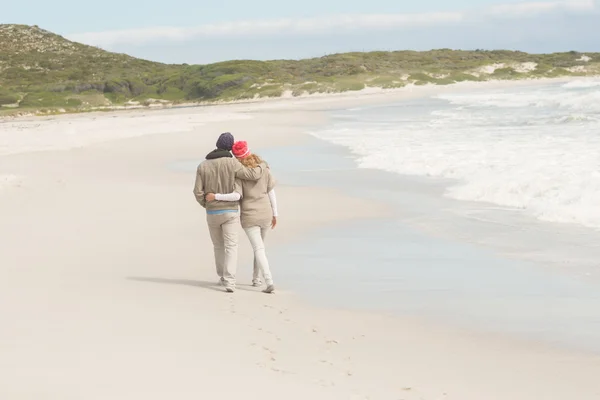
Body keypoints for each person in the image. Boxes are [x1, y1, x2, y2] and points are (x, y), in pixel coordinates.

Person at [193, 133, 265, 293]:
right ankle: (230, 281)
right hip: (230, 211)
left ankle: (222, 277)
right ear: (230, 147)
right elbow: (252, 175)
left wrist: (206, 204)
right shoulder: (233, 164)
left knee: (218, 246)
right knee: (231, 246)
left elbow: (197, 191)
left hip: (212, 212)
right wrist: (262, 165)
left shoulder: (203, 165)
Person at [206, 141, 278, 294]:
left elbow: (236, 196)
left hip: (249, 216)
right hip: (266, 213)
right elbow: (271, 192)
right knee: (260, 248)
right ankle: (256, 279)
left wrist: (215, 196)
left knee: (258, 248)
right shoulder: (264, 168)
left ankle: (269, 280)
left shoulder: (239, 175)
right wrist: (275, 213)